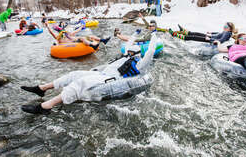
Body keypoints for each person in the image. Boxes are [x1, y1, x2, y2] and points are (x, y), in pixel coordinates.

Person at [20, 33, 159, 114]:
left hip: (112, 80)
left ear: (136, 54)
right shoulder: (125, 56)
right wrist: (134, 34)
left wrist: (154, 36)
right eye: (128, 52)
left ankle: (46, 106)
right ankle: (42, 88)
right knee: (73, 75)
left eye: (131, 52)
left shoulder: (140, 64)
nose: (127, 53)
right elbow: (128, 45)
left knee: (81, 83)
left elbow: (151, 52)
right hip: (101, 75)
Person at [45, 21, 110, 50]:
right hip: (74, 43)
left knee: (90, 36)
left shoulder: (66, 34)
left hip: (76, 40)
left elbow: (76, 31)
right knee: (82, 38)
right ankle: (93, 46)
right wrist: (47, 26)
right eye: (60, 30)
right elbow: (51, 32)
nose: (61, 31)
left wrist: (81, 27)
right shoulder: (58, 38)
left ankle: (103, 40)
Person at [169, 22, 236, 44]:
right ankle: (184, 31)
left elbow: (221, 40)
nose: (224, 27)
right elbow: (219, 33)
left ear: (230, 28)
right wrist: (211, 33)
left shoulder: (227, 34)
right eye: (224, 25)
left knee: (194, 37)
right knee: (197, 33)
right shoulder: (226, 31)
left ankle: (175, 34)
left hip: (210, 40)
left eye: (226, 26)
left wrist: (210, 39)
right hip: (210, 37)